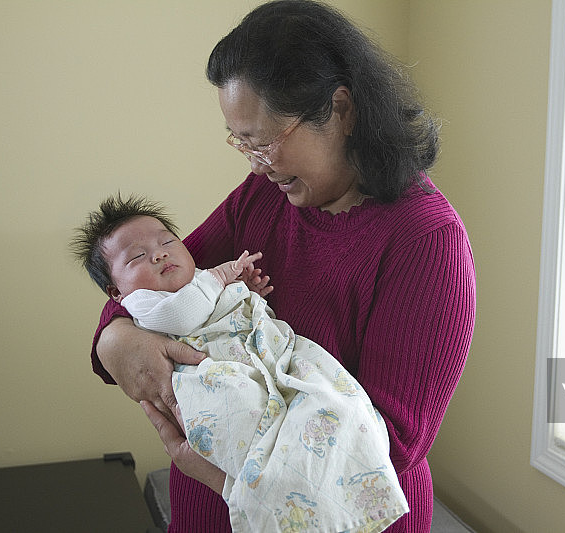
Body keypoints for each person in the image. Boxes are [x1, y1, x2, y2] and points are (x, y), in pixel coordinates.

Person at [90, 1, 476, 532]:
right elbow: (152, 286)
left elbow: (390, 445)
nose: (255, 163)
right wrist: (116, 341)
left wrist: (226, 477)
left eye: (264, 141)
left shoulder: (427, 243)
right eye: (241, 143)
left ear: (340, 109)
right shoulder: (266, 194)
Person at [72, 194, 408, 532]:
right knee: (243, 412)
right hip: (212, 371)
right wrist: (222, 277)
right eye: (138, 257)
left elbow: (219, 304)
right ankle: (275, 496)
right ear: (116, 292)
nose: (160, 253)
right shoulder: (144, 302)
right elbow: (183, 313)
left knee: (331, 395)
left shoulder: (425, 235)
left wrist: (243, 293)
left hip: (268, 354)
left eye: (168, 241)